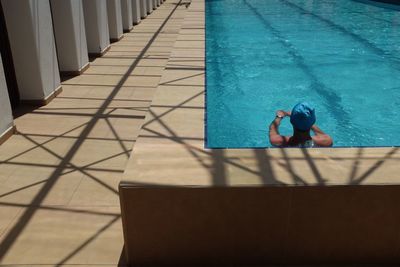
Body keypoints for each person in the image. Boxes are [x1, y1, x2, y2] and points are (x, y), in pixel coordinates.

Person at [269, 102, 333, 147]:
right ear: (313, 121)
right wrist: (307, 120)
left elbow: (272, 128)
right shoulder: (326, 141)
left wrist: (279, 117)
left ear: (291, 121)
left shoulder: (277, 141)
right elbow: (322, 135)